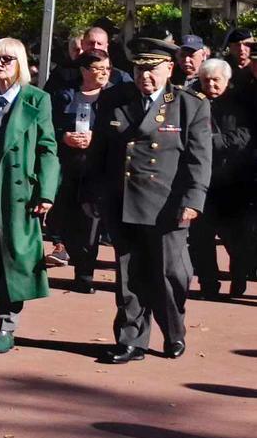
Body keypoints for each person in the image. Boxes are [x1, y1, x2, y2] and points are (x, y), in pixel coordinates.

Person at [84, 30, 212, 364]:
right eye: (140, 69)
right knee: (129, 274)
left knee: (171, 275)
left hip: (167, 205)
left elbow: (199, 159)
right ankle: (131, 340)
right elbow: (99, 151)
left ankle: (173, 331)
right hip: (123, 199)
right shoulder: (115, 99)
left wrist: (194, 199)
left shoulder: (189, 105)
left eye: (152, 69)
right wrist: (93, 192)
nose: (145, 76)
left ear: (169, 68)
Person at [0, 37, 59, 353]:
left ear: (20, 63)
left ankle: (6, 325)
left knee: (15, 260)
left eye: (6, 59)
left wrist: (46, 192)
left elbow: (47, 148)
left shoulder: (37, 99)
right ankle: (4, 316)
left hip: (20, 194)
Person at [49, 50, 114, 292]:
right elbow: (48, 126)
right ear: (84, 71)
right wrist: (64, 137)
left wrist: (96, 138)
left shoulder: (114, 97)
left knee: (90, 222)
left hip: (97, 170)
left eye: (107, 68)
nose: (104, 73)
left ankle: (84, 275)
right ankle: (73, 255)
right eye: (98, 69)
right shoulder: (66, 96)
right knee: (66, 220)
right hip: (67, 167)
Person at [189, 59, 252, 299]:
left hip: (231, 182)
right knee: (200, 238)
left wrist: (213, 142)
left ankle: (239, 277)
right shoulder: (192, 100)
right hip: (200, 182)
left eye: (216, 80)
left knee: (235, 239)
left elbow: (244, 135)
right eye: (206, 80)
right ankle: (208, 285)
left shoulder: (238, 103)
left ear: (227, 80)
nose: (211, 85)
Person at [44, 26, 132, 95]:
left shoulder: (119, 76)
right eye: (91, 43)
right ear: (82, 44)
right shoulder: (63, 73)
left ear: (106, 47)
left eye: (99, 44)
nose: (95, 47)